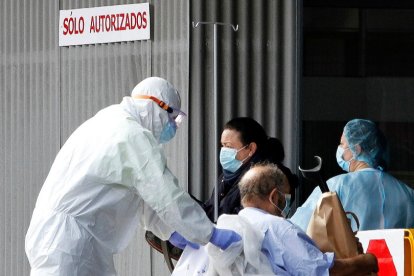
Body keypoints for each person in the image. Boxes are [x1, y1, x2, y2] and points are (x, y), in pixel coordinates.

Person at [25, 77, 241, 275]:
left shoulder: (107, 121)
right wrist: (209, 234)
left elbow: (143, 197)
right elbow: (165, 194)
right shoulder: (130, 133)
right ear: (155, 106)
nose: (173, 127)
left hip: (66, 237)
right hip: (70, 243)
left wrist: (173, 231)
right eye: (172, 117)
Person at [234, 163, 378, 275]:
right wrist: (365, 262)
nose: (288, 204)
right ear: (275, 197)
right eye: (287, 198)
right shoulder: (277, 228)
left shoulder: (233, 226)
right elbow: (323, 272)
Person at [291, 118, 414, 231]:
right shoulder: (407, 193)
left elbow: (297, 228)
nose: (339, 148)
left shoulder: (337, 185)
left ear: (357, 148)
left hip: (352, 255)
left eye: (342, 144)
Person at [201, 117, 297, 222]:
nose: (224, 151)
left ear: (251, 148)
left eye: (228, 146)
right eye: (223, 146)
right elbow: (210, 210)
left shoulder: (267, 177)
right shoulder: (228, 175)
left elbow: (245, 220)